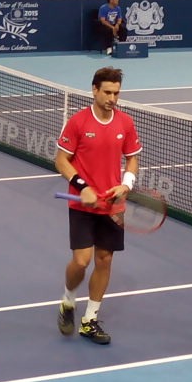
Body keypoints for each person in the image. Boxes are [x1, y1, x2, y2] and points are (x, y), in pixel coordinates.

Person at [54, 66, 143, 345]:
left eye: (116, 93)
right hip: (83, 205)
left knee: (104, 260)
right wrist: (83, 186)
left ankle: (89, 321)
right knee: (82, 261)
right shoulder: (78, 122)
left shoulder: (125, 123)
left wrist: (126, 185)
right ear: (94, 90)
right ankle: (68, 300)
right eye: (107, 92)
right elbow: (60, 160)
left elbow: (132, 158)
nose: (112, 98)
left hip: (112, 206)